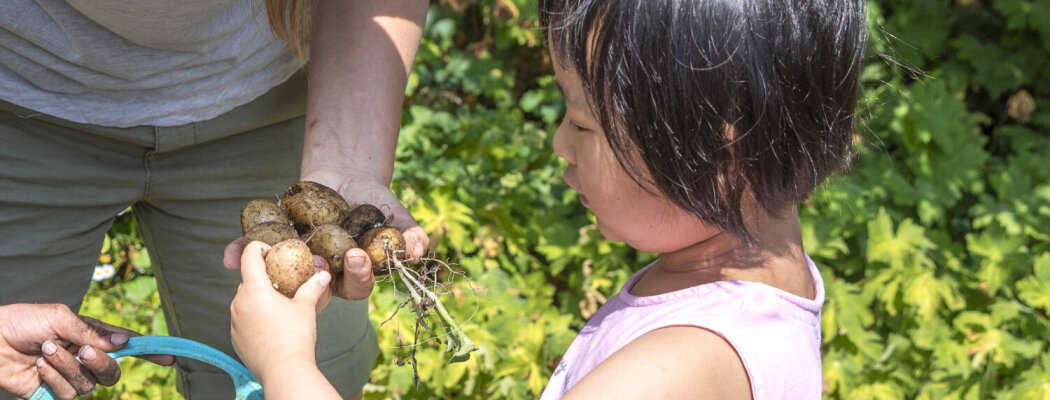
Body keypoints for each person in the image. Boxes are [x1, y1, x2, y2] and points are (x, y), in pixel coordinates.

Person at [228, 0, 867, 398]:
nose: (560, 143)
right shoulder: (760, 285)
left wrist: (284, 364)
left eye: (583, 124)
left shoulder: (677, 368)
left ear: (718, 147)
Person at [0, 0, 430, 399]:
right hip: (23, 100)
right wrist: (285, 362)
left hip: (263, 92)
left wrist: (350, 159)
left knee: (326, 366)